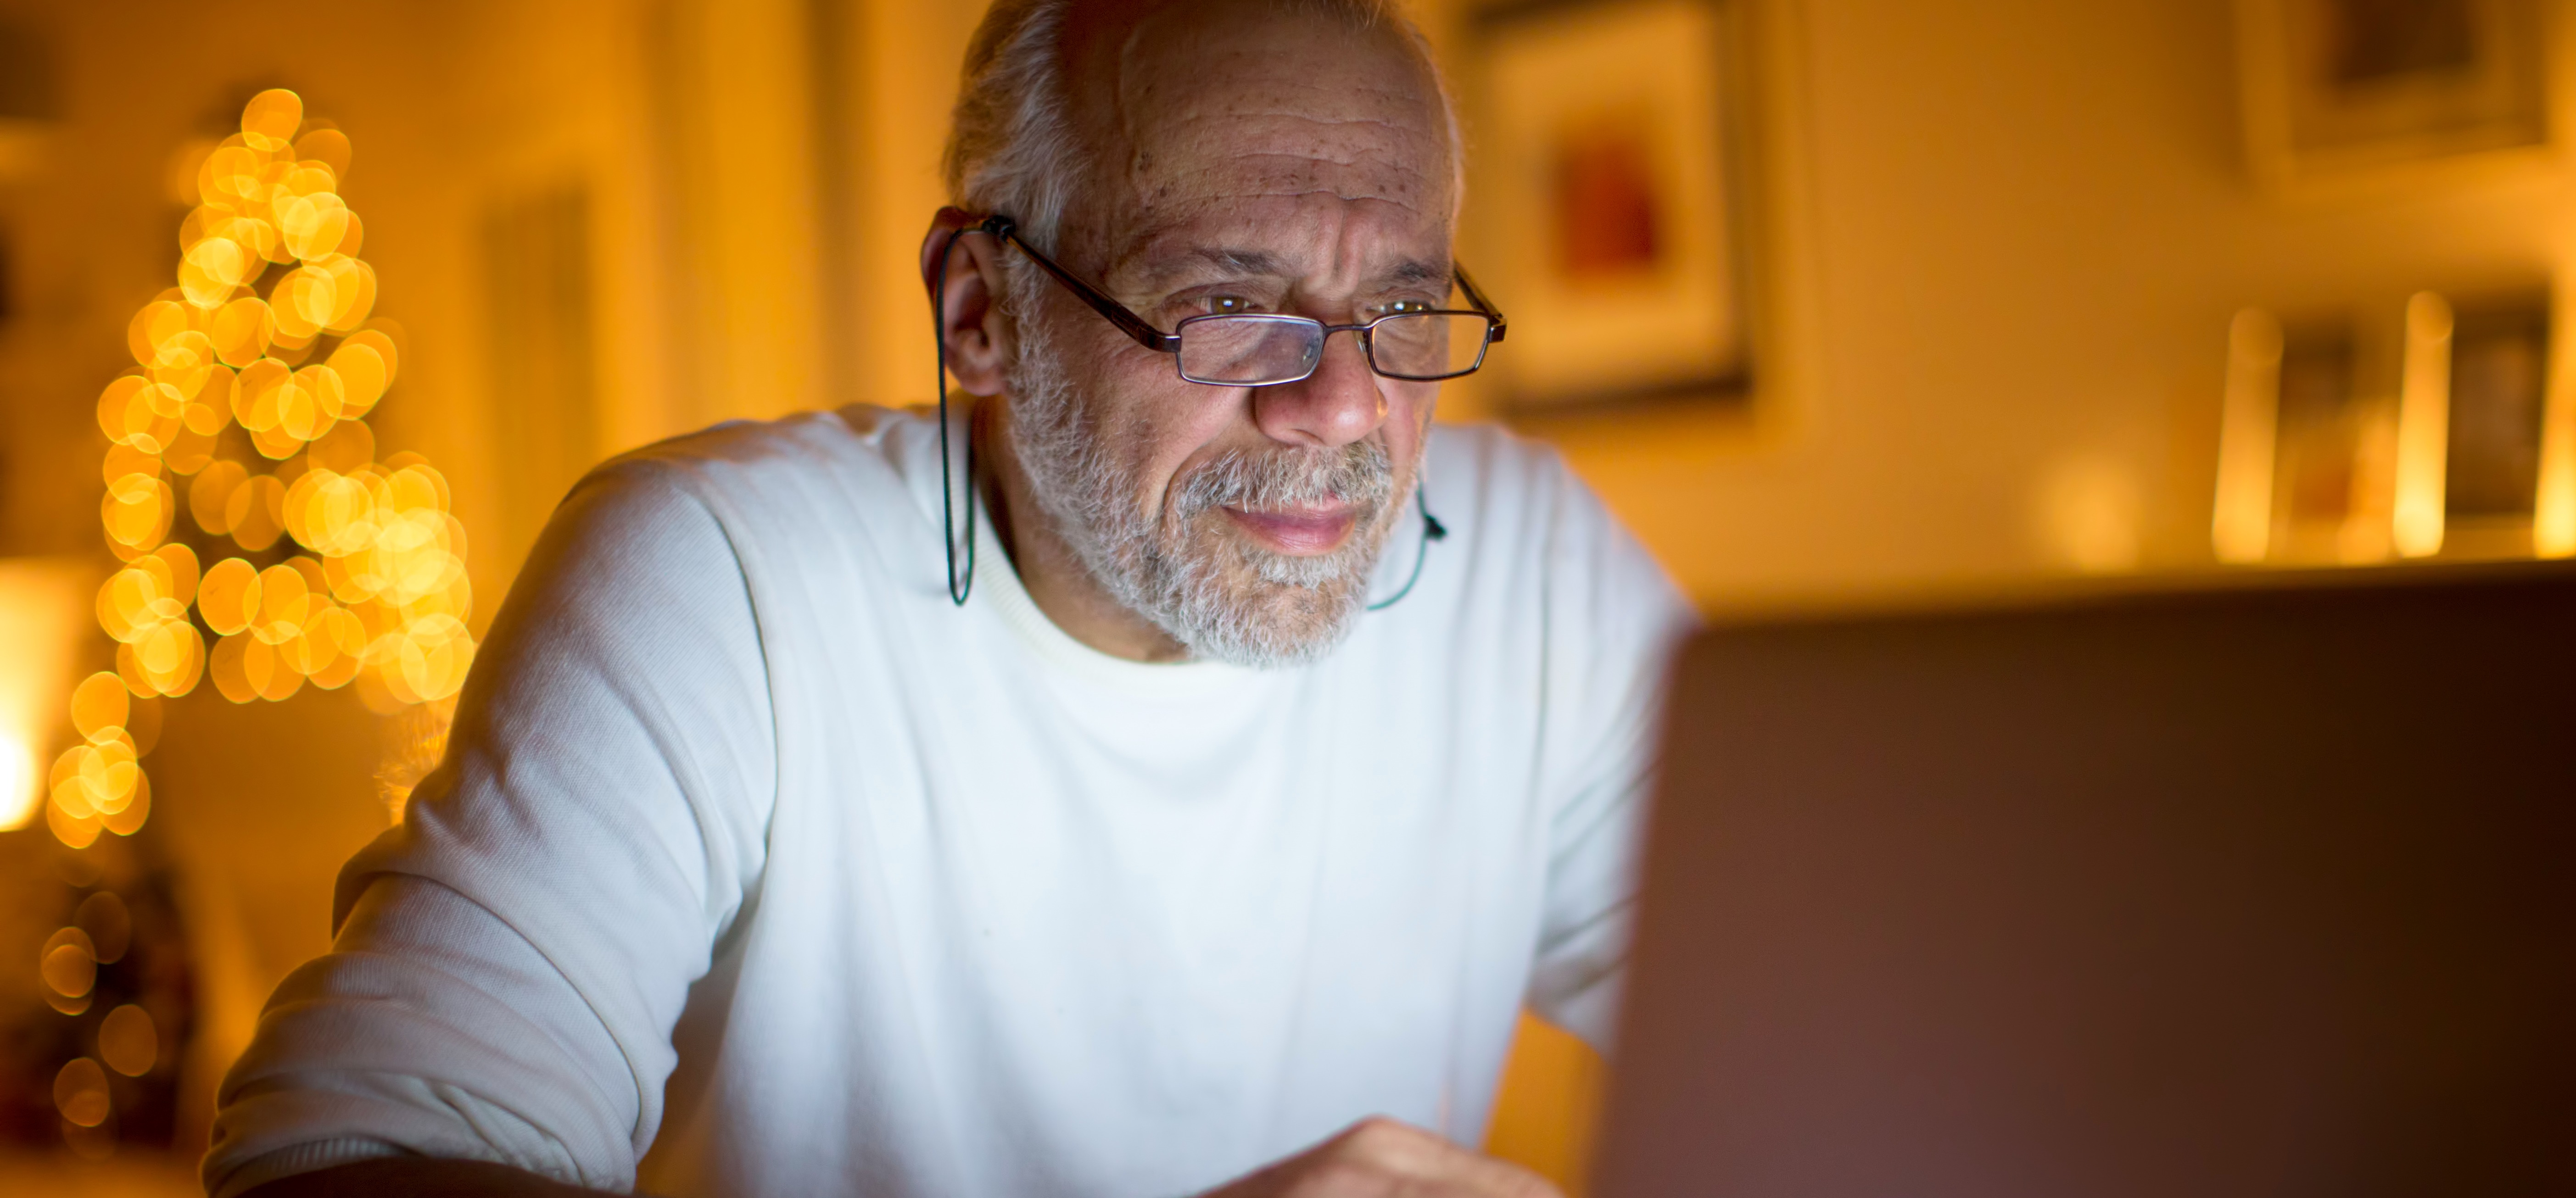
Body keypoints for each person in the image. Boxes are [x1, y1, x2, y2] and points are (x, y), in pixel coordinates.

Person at [203, 0, 1691, 1194]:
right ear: (981, 310)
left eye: (1402, 307)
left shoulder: (1533, 568)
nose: (1346, 409)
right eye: (1228, 307)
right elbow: (343, 1162)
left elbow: (1803, 1011)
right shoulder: (723, 576)